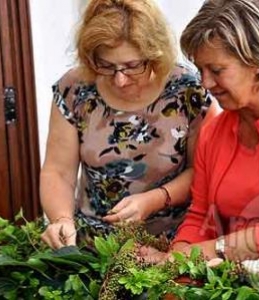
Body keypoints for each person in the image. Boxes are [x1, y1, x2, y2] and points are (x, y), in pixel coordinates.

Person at [40, 0, 217, 249]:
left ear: (154, 54)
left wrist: (154, 200)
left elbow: (204, 172)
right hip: (94, 247)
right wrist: (61, 219)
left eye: (133, 66)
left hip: (173, 247)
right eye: (107, 66)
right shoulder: (74, 89)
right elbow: (58, 172)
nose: (120, 80)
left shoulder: (189, 91)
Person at [140, 0, 259, 269]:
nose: (205, 83)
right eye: (201, 70)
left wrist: (214, 250)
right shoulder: (212, 133)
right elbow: (199, 218)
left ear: (256, 62)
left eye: (216, 70)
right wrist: (174, 261)